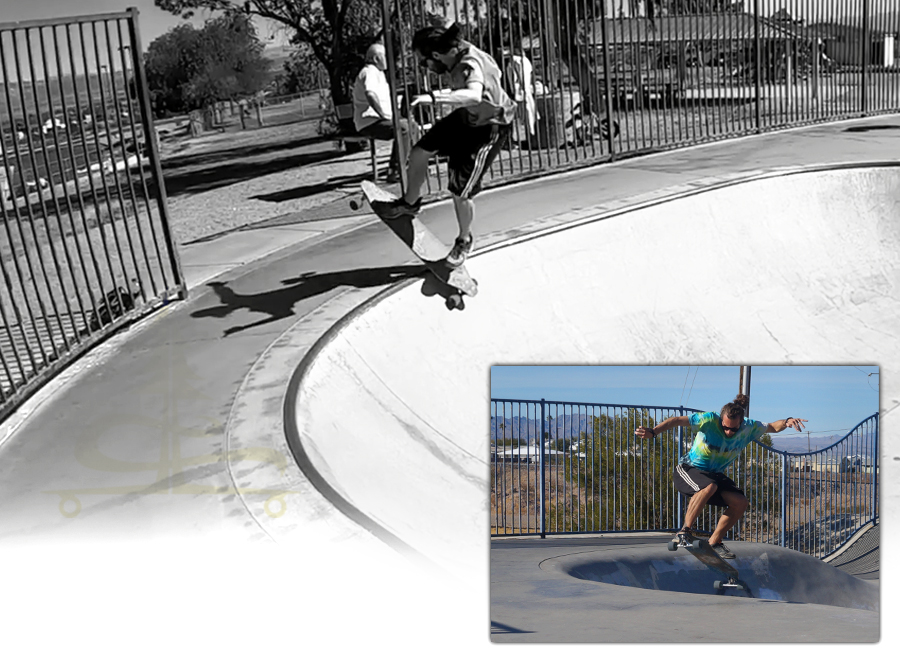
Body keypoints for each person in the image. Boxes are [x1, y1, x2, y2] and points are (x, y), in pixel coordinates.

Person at [380, 22, 517, 267]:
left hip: (489, 127)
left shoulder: (468, 63)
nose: (427, 68)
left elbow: (474, 94)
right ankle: (410, 204)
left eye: (424, 63)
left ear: (435, 55)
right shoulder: (456, 51)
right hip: (466, 117)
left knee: (460, 191)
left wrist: (433, 97)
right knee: (419, 152)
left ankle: (464, 240)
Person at [634, 394, 807, 559]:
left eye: (734, 428)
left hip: (714, 475)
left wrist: (787, 421)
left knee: (740, 502)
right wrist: (654, 431)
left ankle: (714, 542)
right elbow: (677, 420)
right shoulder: (708, 419)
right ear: (720, 419)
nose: (729, 432)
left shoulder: (750, 426)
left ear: (741, 422)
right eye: (725, 427)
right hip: (688, 469)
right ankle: (684, 532)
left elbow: (773, 427)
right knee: (709, 486)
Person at [352, 43, 410, 183]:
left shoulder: (378, 73)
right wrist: (383, 115)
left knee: (411, 126)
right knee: (404, 128)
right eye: (385, 56)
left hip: (376, 120)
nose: (388, 60)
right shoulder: (370, 71)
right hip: (370, 121)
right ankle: (396, 170)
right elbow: (370, 94)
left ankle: (404, 165)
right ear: (376, 58)